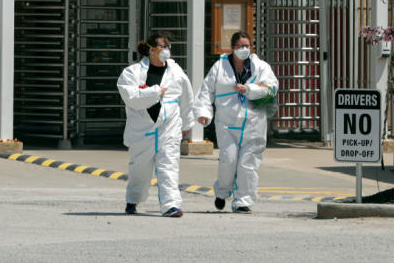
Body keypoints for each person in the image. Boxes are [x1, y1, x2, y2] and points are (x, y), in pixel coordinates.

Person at [193, 31, 278, 213]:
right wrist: (203, 112)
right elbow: (206, 91)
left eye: (247, 46)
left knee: (248, 164)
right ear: (232, 48)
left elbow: (271, 89)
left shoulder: (261, 67)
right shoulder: (220, 67)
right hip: (227, 123)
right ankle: (222, 192)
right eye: (240, 46)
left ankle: (242, 201)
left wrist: (249, 89)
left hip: (254, 123)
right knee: (228, 160)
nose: (244, 49)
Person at [116, 32, 193, 217]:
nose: (166, 50)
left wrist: (187, 125)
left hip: (169, 128)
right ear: (151, 50)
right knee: (139, 171)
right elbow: (132, 98)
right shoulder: (132, 72)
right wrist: (155, 92)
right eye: (162, 47)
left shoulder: (176, 73)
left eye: (168, 47)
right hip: (142, 130)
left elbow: (187, 99)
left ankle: (171, 205)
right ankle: (133, 199)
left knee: (169, 166)